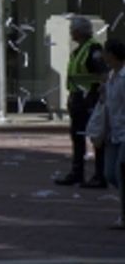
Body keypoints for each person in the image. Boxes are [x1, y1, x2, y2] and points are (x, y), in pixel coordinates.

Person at [57, 15, 108, 187]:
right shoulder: (79, 50)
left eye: (73, 30)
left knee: (96, 137)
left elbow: (103, 73)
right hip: (78, 99)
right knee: (77, 137)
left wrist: (101, 96)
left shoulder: (93, 49)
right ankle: (77, 173)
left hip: (91, 99)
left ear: (79, 32)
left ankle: (100, 176)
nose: (71, 32)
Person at [93, 39, 125, 228]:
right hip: (113, 131)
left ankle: (123, 216)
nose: (102, 55)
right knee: (110, 173)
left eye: (105, 52)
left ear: (112, 54)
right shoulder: (111, 76)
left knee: (121, 171)